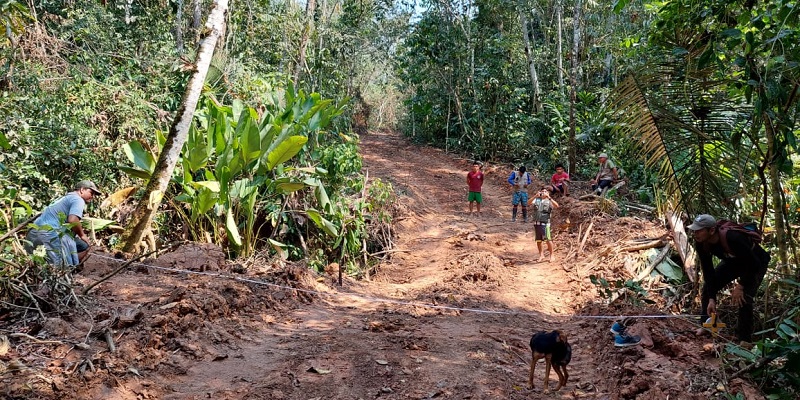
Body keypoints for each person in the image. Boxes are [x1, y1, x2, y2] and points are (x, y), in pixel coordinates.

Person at [687, 214, 770, 342]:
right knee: (708, 288)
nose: (695, 233)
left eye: (699, 230)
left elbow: (753, 264)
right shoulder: (701, 243)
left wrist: (741, 286)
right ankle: (707, 325)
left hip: (756, 263)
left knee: (745, 298)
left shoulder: (733, 238)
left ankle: (744, 340)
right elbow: (708, 271)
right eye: (694, 230)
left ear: (712, 230)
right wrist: (711, 298)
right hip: (733, 262)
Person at [26, 180, 102, 267]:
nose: (92, 196)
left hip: (32, 233)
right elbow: (73, 220)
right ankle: (70, 268)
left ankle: (72, 266)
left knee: (35, 266)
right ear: (82, 190)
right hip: (48, 234)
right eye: (91, 193)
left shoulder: (64, 198)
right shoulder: (78, 200)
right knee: (57, 268)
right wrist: (82, 235)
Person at [529, 187, 559, 262]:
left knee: (548, 239)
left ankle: (552, 255)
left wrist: (549, 198)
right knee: (538, 240)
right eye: (542, 191)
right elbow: (528, 202)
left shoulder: (549, 201)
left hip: (545, 223)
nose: (544, 193)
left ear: (548, 193)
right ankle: (541, 255)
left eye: (545, 191)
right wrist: (535, 196)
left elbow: (557, 206)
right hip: (536, 223)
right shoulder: (537, 200)